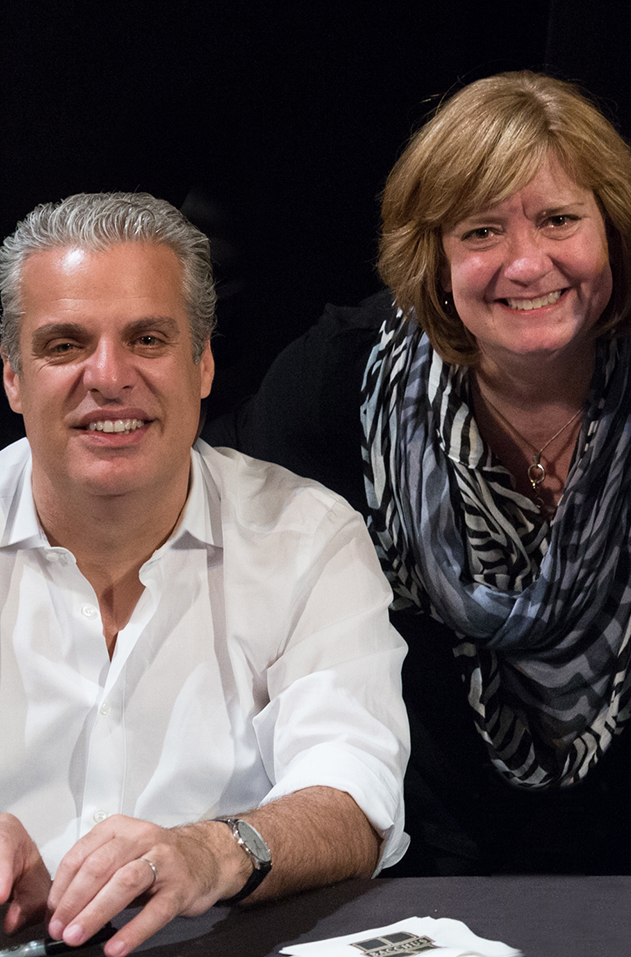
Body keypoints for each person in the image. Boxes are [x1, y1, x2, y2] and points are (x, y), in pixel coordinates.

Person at [206, 72, 631, 874]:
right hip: (417, 871)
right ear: (433, 257)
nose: (526, 264)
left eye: (559, 219)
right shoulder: (332, 384)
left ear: (614, 230)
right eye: (481, 231)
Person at [0, 193, 409, 955]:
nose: (108, 376)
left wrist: (213, 851)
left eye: (148, 338)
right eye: (64, 345)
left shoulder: (307, 538)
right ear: (13, 377)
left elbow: (354, 797)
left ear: (204, 363)